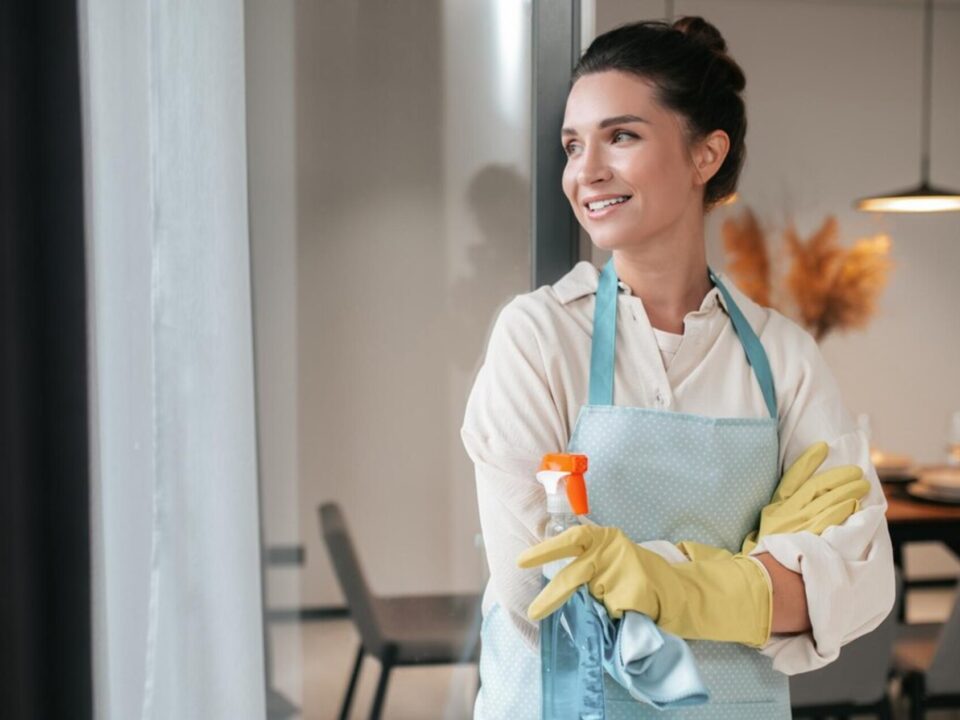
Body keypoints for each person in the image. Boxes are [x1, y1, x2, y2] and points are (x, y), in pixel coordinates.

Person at [461, 16, 896, 720]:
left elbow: (860, 583)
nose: (586, 171)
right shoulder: (538, 337)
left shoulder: (782, 355)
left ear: (706, 155)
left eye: (621, 136)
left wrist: (655, 577)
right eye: (574, 145)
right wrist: (755, 579)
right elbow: (539, 587)